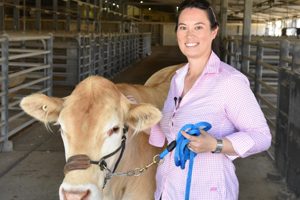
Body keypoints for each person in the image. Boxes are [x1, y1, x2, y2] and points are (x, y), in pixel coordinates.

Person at [149, 0, 272, 199]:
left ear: (213, 32)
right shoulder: (177, 78)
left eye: (199, 27)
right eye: (183, 27)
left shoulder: (229, 81)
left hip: (207, 191)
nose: (189, 35)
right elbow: (172, 130)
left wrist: (216, 145)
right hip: (167, 187)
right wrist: (137, 116)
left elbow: (262, 137)